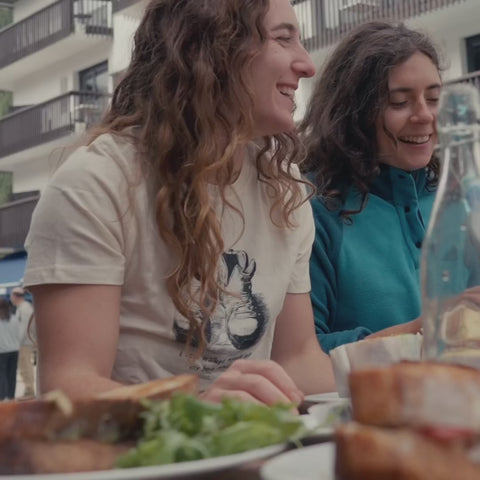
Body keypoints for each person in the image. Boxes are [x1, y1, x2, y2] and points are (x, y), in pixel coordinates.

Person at [23, 0, 336, 404]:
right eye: (283, 39)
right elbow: (69, 385)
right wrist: (200, 412)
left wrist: (395, 376)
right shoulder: (94, 183)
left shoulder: (284, 188)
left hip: (254, 440)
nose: (308, 65)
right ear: (213, 50)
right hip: (136, 445)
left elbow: (297, 359)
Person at [299, 22, 442, 353]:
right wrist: (416, 336)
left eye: (434, 98)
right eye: (399, 102)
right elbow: (302, 354)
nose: (425, 115)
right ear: (355, 112)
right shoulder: (313, 210)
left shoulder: (456, 199)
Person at [10, 287, 36, 398]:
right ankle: (28, 390)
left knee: (26, 366)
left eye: (12, 296)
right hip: (23, 342)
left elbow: (24, 328)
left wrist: (17, 343)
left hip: (24, 343)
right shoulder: (22, 308)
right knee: (24, 367)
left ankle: (30, 391)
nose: (11, 299)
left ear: (16, 296)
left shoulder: (24, 309)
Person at [0, 297, 20, 399]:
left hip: (2, 352)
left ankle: (2, 397)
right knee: (12, 375)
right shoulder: (14, 318)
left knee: (1, 375)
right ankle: (11, 396)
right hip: (14, 350)